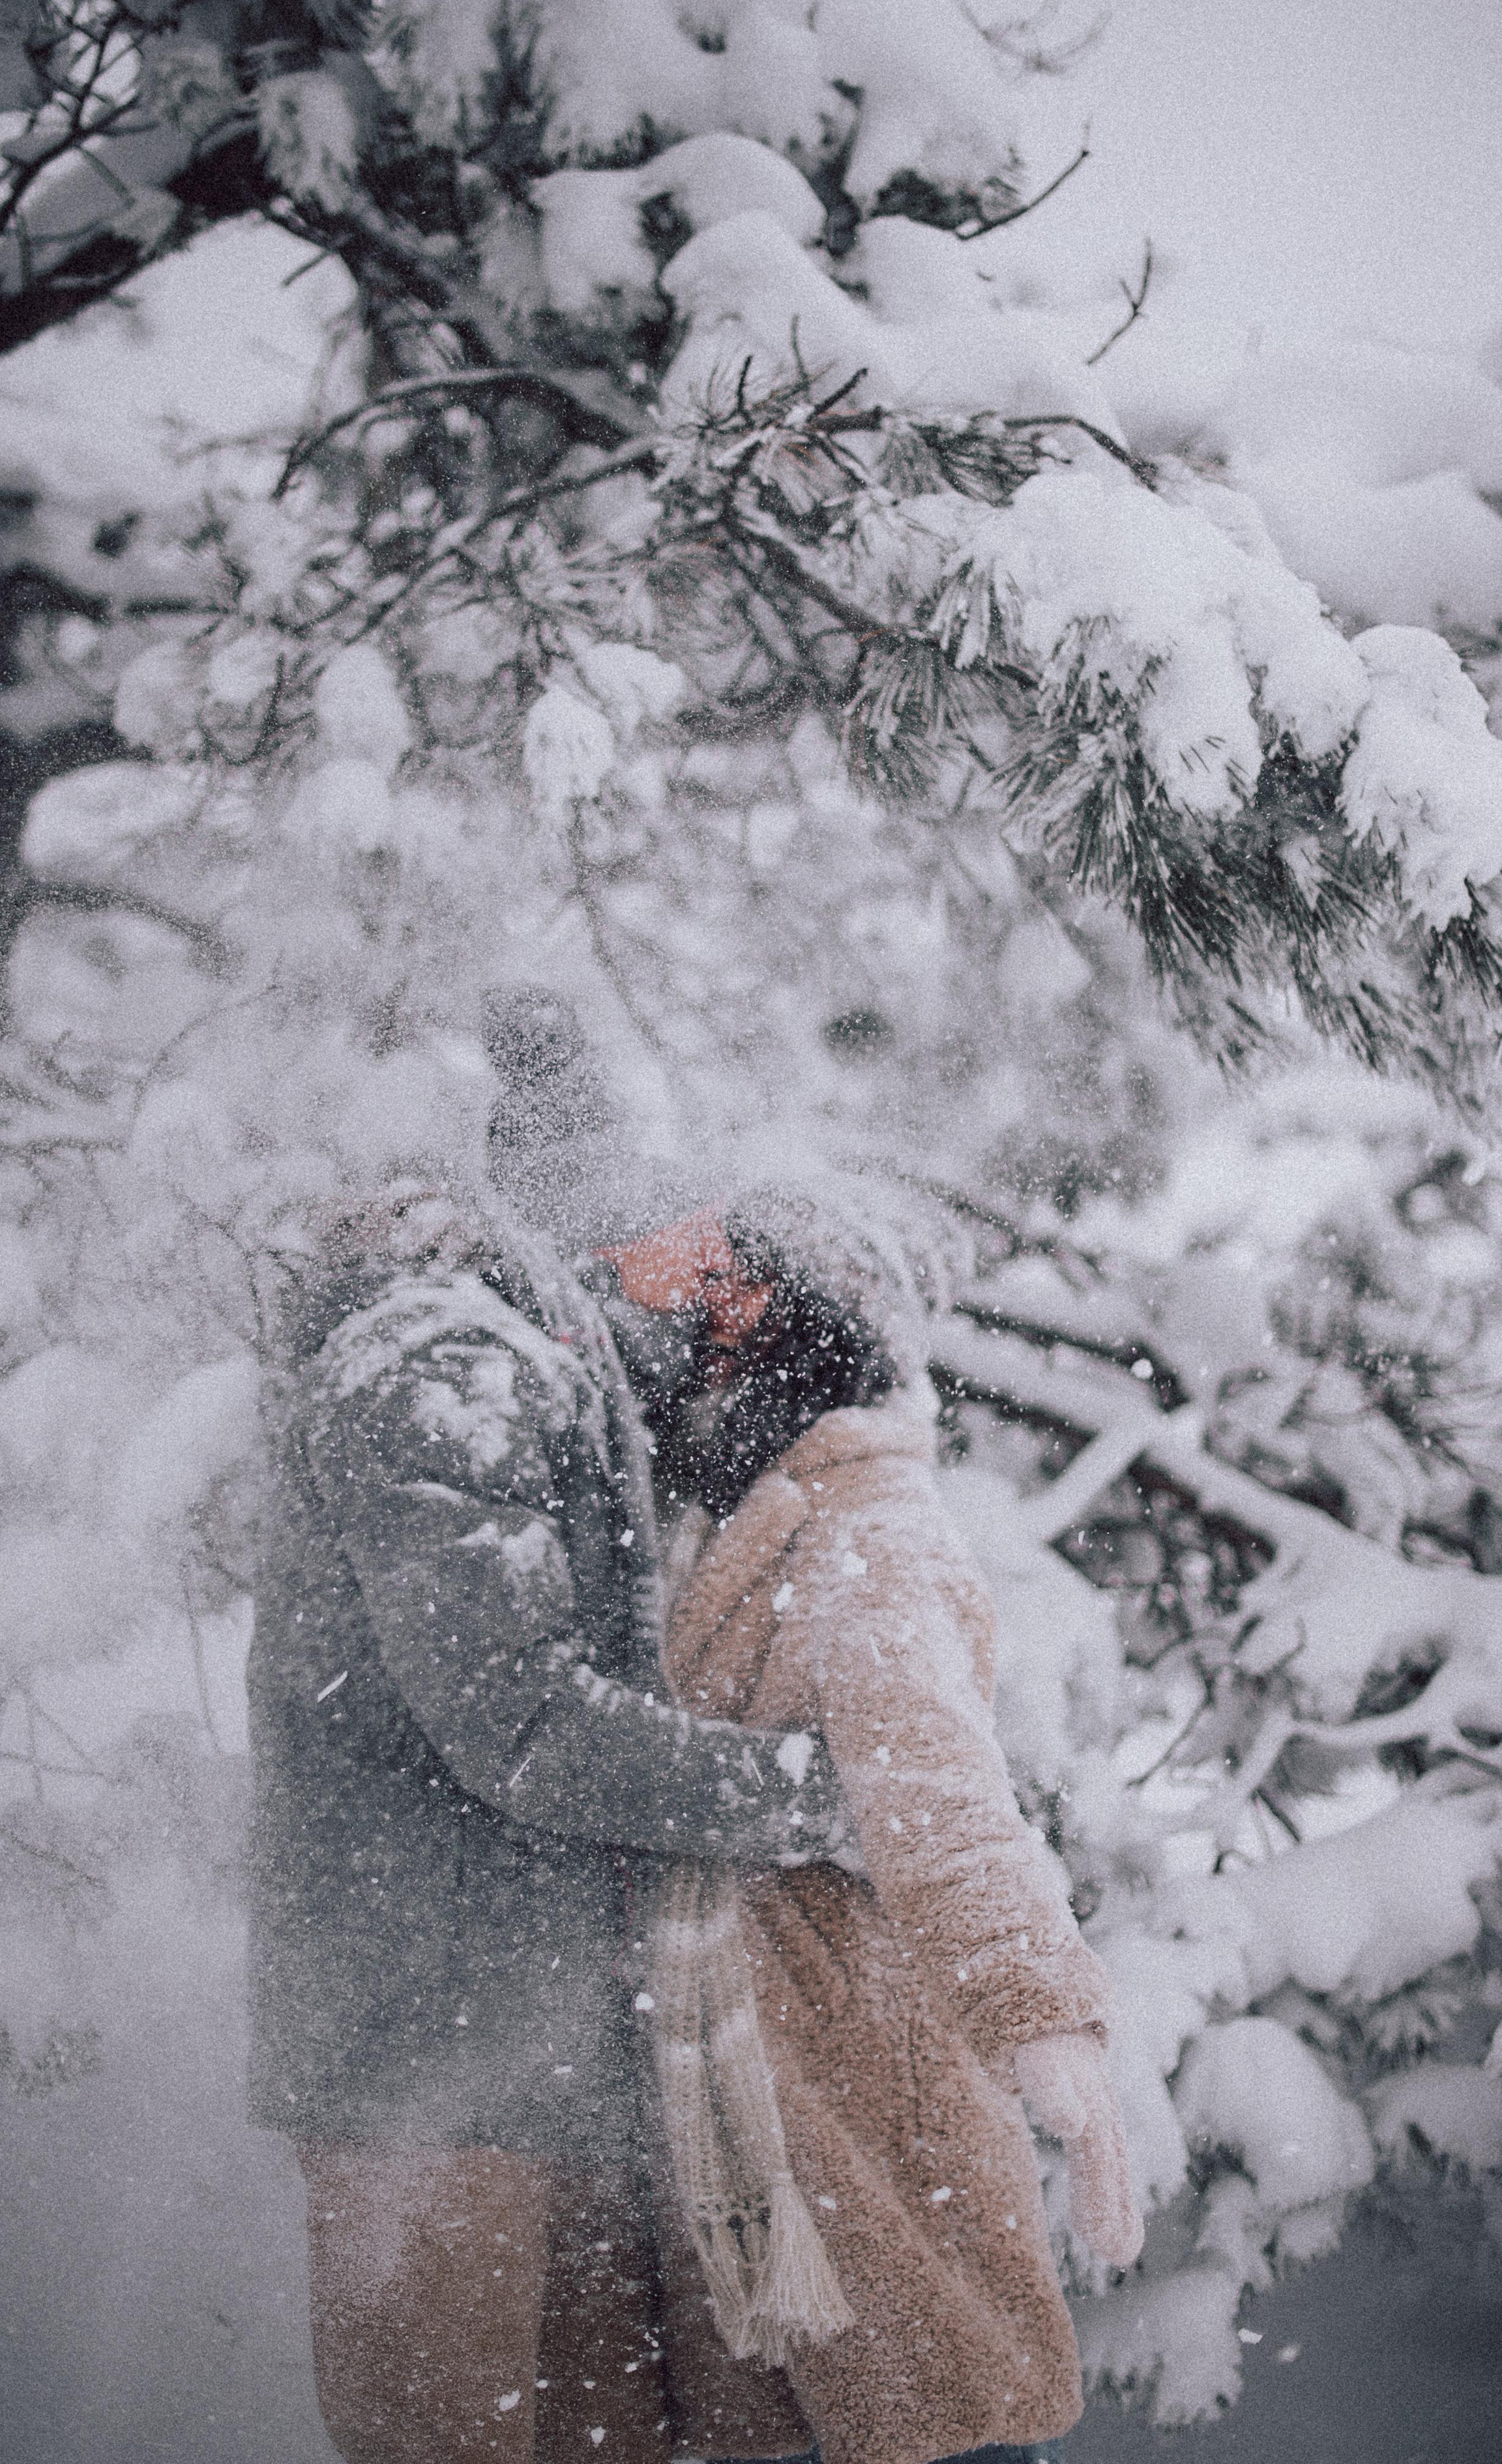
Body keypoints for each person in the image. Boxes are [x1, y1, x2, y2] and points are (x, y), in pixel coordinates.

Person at [245, 1004, 857, 2464]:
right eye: (618, 1157)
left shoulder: (537, 1353)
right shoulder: (433, 1370)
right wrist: (822, 1797)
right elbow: (522, 1723)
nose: (658, 1202)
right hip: (425, 2057)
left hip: (547, 2048)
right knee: (455, 2445)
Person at [600, 1194, 1143, 2464]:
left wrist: (1036, 2010)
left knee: (929, 2423)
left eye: (722, 1294)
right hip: (740, 2084)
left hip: (857, 2076)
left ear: (795, 1323)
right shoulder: (714, 1501)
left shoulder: (863, 1528)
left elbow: (940, 1793)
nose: (676, 1321)